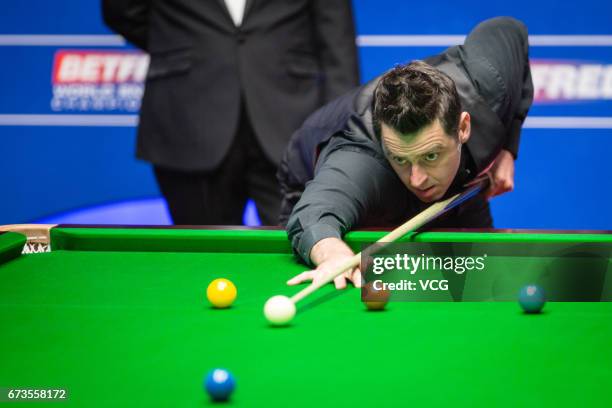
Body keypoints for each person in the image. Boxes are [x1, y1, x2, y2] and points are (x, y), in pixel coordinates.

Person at [278, 17, 534, 288]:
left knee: (483, 281)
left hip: (459, 184)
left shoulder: (489, 82)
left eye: (431, 156)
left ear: (463, 127)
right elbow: (314, 213)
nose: (417, 179)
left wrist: (508, 146)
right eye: (401, 158)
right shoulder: (362, 160)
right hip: (345, 187)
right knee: (365, 288)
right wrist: (333, 254)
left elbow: (510, 30)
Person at [102, 0, 359, 225]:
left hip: (292, 121)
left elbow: (337, 40)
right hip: (188, 121)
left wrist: (334, 131)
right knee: (201, 263)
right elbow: (123, 10)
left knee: (307, 246)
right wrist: (181, 43)